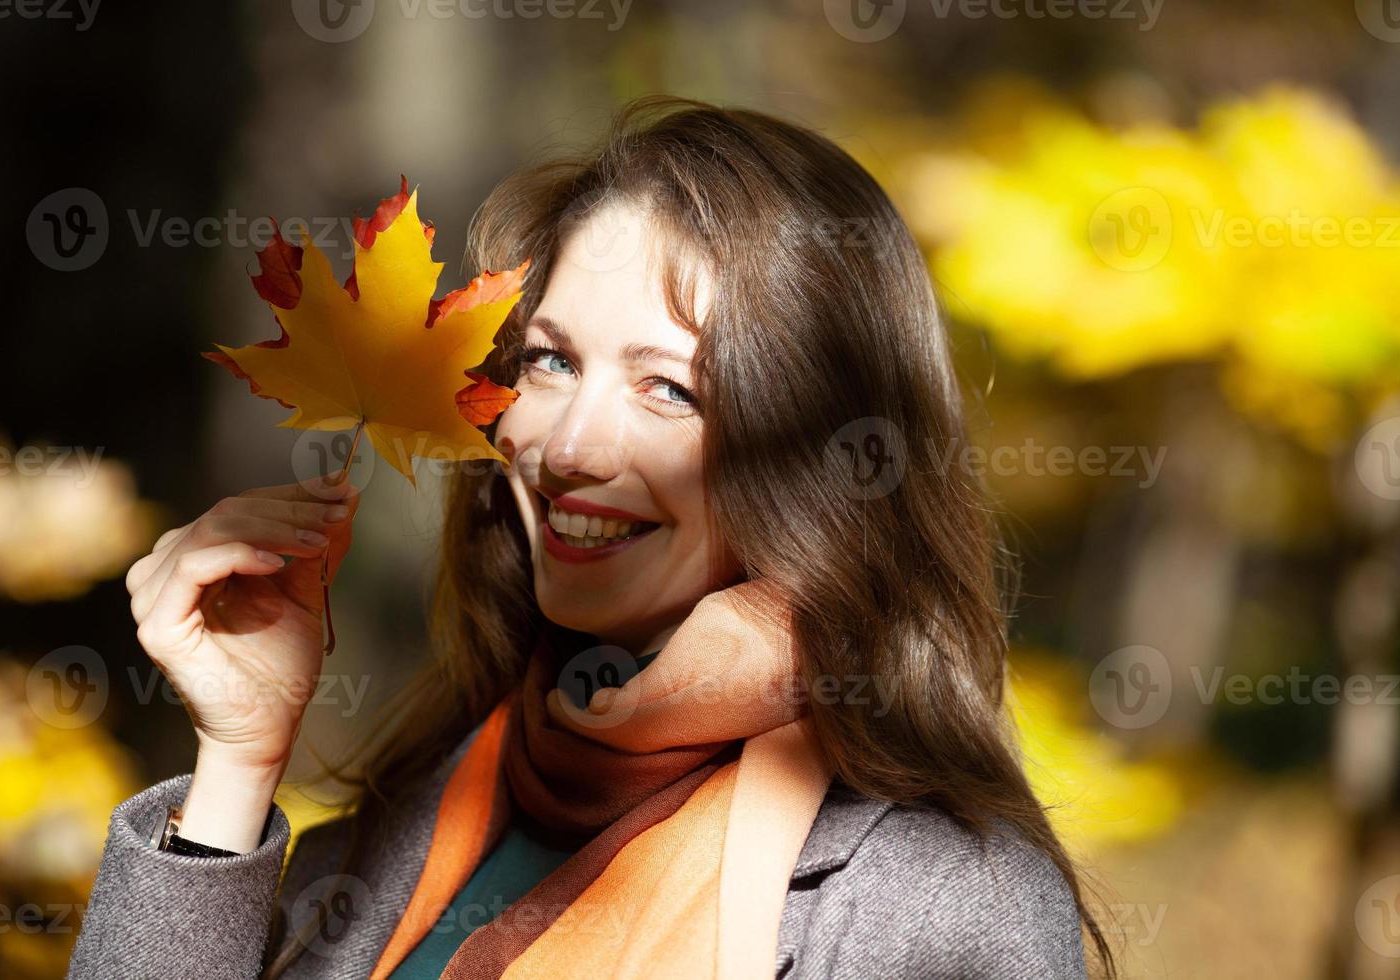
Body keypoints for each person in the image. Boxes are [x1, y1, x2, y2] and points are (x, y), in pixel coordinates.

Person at [68, 95, 1114, 979]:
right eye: (551, 361)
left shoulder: (942, 905)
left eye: (669, 387)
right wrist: (235, 770)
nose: (568, 444)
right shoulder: (418, 808)